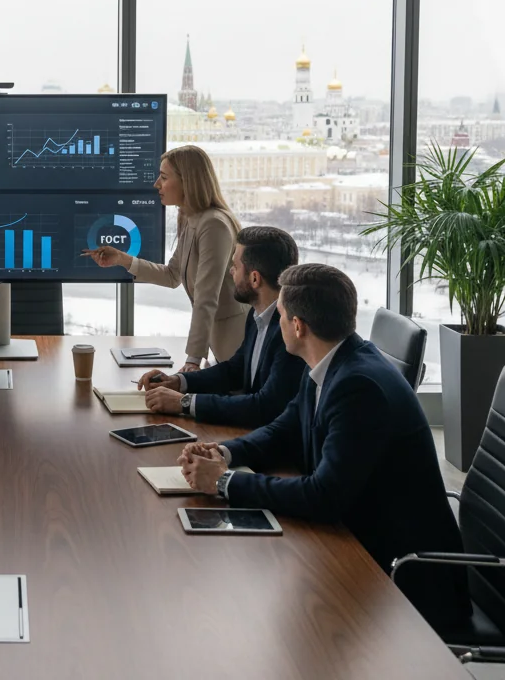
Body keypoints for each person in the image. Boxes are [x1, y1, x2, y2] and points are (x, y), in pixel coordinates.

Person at [179, 263, 470, 629]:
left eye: (282, 316)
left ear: (298, 326)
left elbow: (323, 496)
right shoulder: (331, 361)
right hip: (358, 538)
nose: (277, 324)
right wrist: (225, 454)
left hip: (400, 576)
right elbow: (285, 428)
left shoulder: (359, 387)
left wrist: (224, 483)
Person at [84, 145, 247, 369]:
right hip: (220, 344)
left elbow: (207, 297)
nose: (156, 184)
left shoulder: (213, 224)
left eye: (163, 177)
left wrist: (193, 359)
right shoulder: (192, 219)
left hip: (234, 343)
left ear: (187, 181)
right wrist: (122, 259)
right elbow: (172, 275)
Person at [138, 226, 304, 427]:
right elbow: (234, 370)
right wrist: (178, 382)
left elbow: (265, 407)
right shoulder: (258, 314)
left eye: (235, 265)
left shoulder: (290, 331)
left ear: (254, 278)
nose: (230, 271)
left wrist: (184, 403)